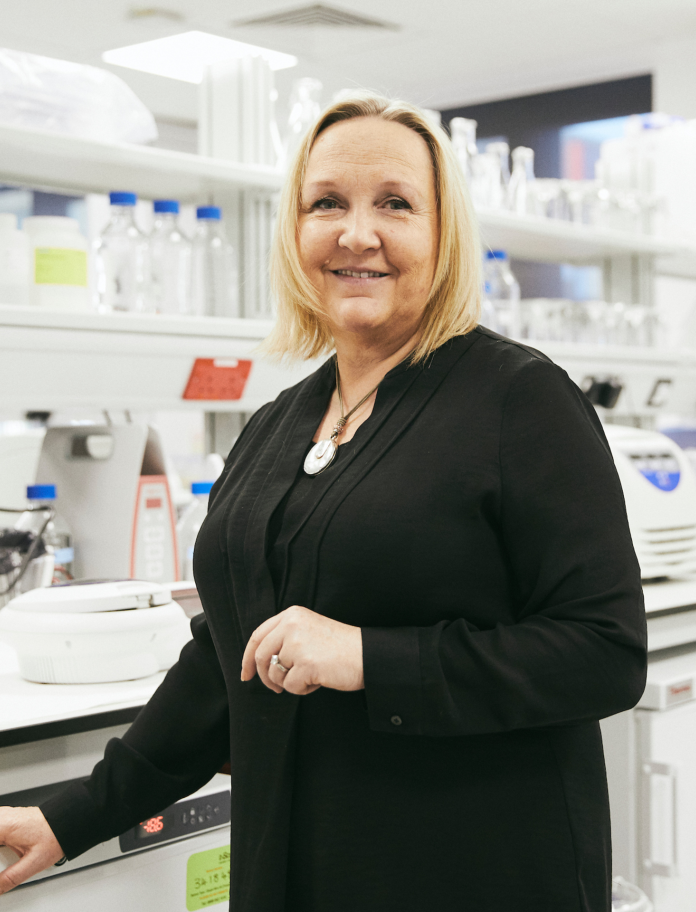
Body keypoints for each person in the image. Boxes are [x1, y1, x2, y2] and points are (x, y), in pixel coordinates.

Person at [0, 92, 647, 912]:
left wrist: (370, 658)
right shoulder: (277, 424)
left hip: (472, 870)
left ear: (443, 235)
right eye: (327, 203)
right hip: (296, 869)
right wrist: (70, 817)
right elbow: (224, 658)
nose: (356, 233)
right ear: (294, 231)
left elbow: (604, 652)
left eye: (396, 204)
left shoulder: (520, 401)